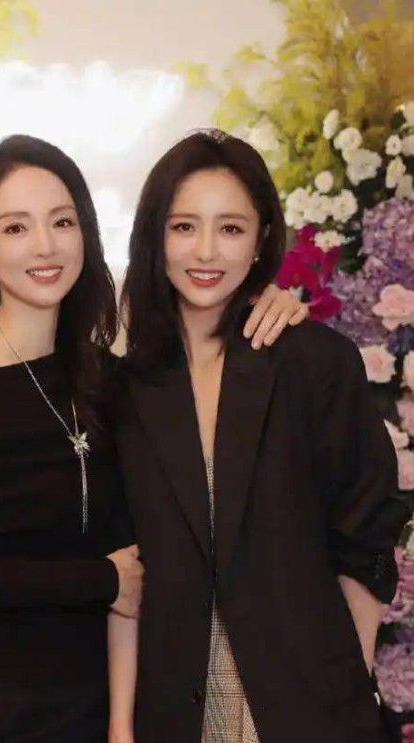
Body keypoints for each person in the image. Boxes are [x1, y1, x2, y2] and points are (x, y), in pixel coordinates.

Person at [0, 134, 305, 743]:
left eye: (62, 222)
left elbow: (138, 542)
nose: (45, 245)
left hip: (101, 702)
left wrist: (266, 300)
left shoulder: (108, 378)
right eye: (15, 228)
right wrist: (102, 581)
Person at [112, 130, 410, 743]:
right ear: (154, 237)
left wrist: (345, 683)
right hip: (173, 706)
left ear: (260, 239)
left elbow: (365, 533)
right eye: (184, 226)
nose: (206, 251)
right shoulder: (126, 384)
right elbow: (126, 567)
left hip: (306, 702)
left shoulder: (313, 361)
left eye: (230, 228)